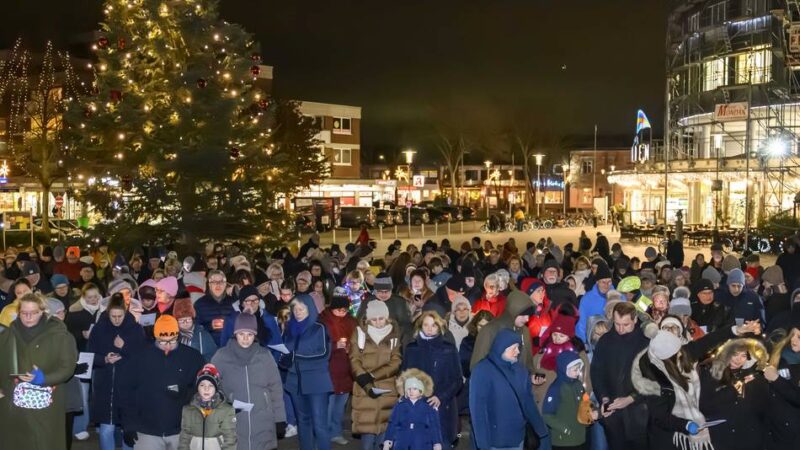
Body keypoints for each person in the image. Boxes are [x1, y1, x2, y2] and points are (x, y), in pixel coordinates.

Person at [0, 292, 78, 450]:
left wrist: (45, 378)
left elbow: (67, 367)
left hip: (46, 404)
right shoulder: (7, 335)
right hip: (13, 405)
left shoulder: (60, 336)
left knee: (43, 443)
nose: (28, 317)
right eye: (24, 313)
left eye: (33, 313)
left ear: (43, 312)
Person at [119, 315, 205, 449]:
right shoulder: (139, 358)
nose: (168, 346)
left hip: (181, 430)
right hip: (146, 430)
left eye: (172, 340)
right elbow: (126, 392)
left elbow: (200, 391)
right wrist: (129, 425)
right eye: (162, 341)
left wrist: (183, 396)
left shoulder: (192, 357)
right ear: (155, 337)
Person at [212, 312, 286, 450]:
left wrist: (279, 419)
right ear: (235, 334)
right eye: (241, 334)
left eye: (250, 334)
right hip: (233, 422)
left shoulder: (265, 355)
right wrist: (225, 404)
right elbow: (211, 387)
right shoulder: (221, 356)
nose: (245, 339)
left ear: (255, 335)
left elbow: (275, 388)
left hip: (263, 421)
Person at [470, 329, 549, 450]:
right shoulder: (483, 371)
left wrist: (541, 431)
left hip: (518, 438)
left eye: (518, 347)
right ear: (502, 348)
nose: (518, 352)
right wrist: (483, 445)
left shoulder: (521, 371)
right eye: (514, 348)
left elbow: (528, 402)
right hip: (495, 442)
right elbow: (478, 411)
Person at [87, 293, 146, 450]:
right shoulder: (99, 329)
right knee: (107, 430)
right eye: (113, 316)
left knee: (128, 430)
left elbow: (143, 358)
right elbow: (89, 356)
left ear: (125, 312)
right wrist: (104, 359)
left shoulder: (135, 329)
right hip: (105, 387)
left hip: (128, 388)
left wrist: (124, 348)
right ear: (107, 313)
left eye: (120, 316)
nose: (117, 319)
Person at [590, 302, 650, 450]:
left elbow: (652, 379)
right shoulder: (605, 341)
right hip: (613, 413)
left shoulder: (645, 342)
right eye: (617, 324)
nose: (621, 329)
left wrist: (630, 398)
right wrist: (603, 397)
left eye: (626, 324)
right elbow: (597, 372)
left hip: (640, 414)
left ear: (635, 320)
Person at [401, 311, 463, 448]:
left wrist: (441, 397)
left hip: (442, 408)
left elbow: (457, 379)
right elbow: (403, 377)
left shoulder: (448, 349)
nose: (430, 328)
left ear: (439, 327)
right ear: (420, 326)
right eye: (426, 325)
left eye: (434, 325)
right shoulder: (412, 349)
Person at [280, 295, 333, 450]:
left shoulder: (319, 327)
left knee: (319, 424)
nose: (298, 312)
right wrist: (283, 358)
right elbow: (285, 350)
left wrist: (296, 356)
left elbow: (324, 353)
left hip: (316, 382)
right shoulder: (289, 328)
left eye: (301, 309)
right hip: (295, 382)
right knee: (303, 422)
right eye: (295, 309)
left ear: (309, 308)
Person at [350, 299, 403, 450]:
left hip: (387, 390)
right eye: (374, 319)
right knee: (367, 439)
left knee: (384, 439)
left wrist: (372, 375)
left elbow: (396, 361)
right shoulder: (359, 333)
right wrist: (366, 383)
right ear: (368, 319)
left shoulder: (393, 335)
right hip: (364, 389)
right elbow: (354, 359)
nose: (378, 322)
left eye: (381, 318)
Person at [699, 338, 769, 450]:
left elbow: (760, 409)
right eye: (735, 354)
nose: (738, 359)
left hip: (746, 437)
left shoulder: (752, 375)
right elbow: (705, 405)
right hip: (720, 436)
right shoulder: (712, 372)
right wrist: (733, 389)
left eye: (743, 356)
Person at [319, 288, 358, 446]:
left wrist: (350, 346)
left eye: (344, 310)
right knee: (327, 406)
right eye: (338, 310)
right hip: (329, 370)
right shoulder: (323, 321)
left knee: (339, 407)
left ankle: (336, 432)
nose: (342, 313)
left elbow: (358, 341)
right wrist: (335, 345)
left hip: (347, 370)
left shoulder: (351, 321)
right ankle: (324, 435)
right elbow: (319, 344)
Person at [65, 282, 102, 441]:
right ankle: (80, 427)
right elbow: (67, 335)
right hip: (83, 355)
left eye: (96, 296)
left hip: (101, 356)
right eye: (90, 297)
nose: (93, 300)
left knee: (100, 391)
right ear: (83, 297)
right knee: (83, 394)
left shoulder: (104, 310)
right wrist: (82, 334)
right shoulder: (74, 312)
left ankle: (101, 422)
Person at [543, 351, 598, 450]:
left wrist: (593, 411)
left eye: (578, 369)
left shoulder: (578, 385)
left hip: (580, 437)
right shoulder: (556, 388)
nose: (578, 373)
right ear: (564, 369)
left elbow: (586, 402)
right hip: (563, 441)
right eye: (575, 370)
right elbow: (547, 415)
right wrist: (564, 429)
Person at [178, 364, 237, 450]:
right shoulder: (188, 410)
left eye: (211, 385)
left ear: (216, 388)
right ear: (197, 387)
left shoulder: (227, 410)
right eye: (202, 385)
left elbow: (230, 439)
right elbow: (184, 437)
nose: (206, 389)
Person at [382, 369, 444, 450]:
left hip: (422, 443)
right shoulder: (400, 405)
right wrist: (388, 440)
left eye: (414, 389)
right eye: (409, 389)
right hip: (402, 442)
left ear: (421, 390)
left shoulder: (429, 406)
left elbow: (434, 426)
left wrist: (437, 442)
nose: (411, 391)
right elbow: (393, 423)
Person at [193, 269, 237, 346]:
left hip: (230, 347)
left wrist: (228, 325)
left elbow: (240, 326)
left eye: (221, 282)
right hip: (208, 347)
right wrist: (210, 326)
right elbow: (195, 329)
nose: (218, 285)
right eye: (214, 282)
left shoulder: (234, 303)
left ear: (225, 284)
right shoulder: (199, 304)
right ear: (209, 284)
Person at [173, 297, 218, 362]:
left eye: (188, 319)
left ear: (192, 319)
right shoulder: (173, 335)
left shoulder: (202, 335)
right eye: (181, 320)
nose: (185, 323)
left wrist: (199, 363)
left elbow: (212, 355)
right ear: (176, 321)